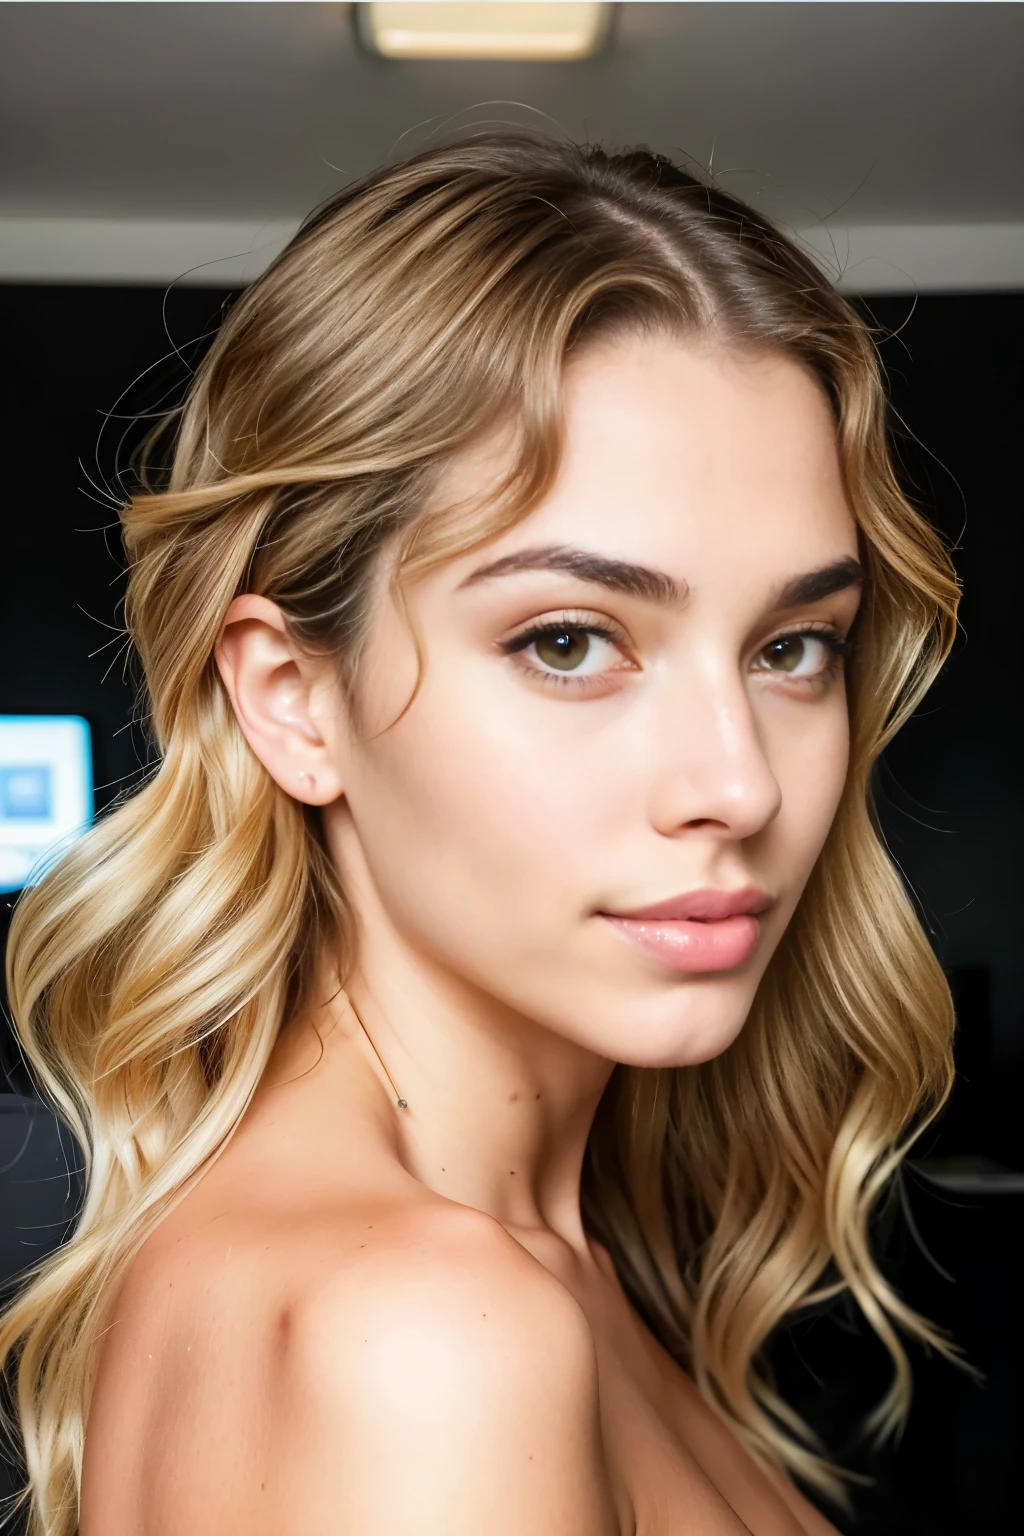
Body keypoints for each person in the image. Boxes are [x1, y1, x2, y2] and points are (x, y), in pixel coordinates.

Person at [0, 133, 960, 1536]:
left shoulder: (500, 1265)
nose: (739, 784)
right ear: (293, 699)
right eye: (570, 641)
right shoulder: (433, 1339)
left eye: (793, 646)